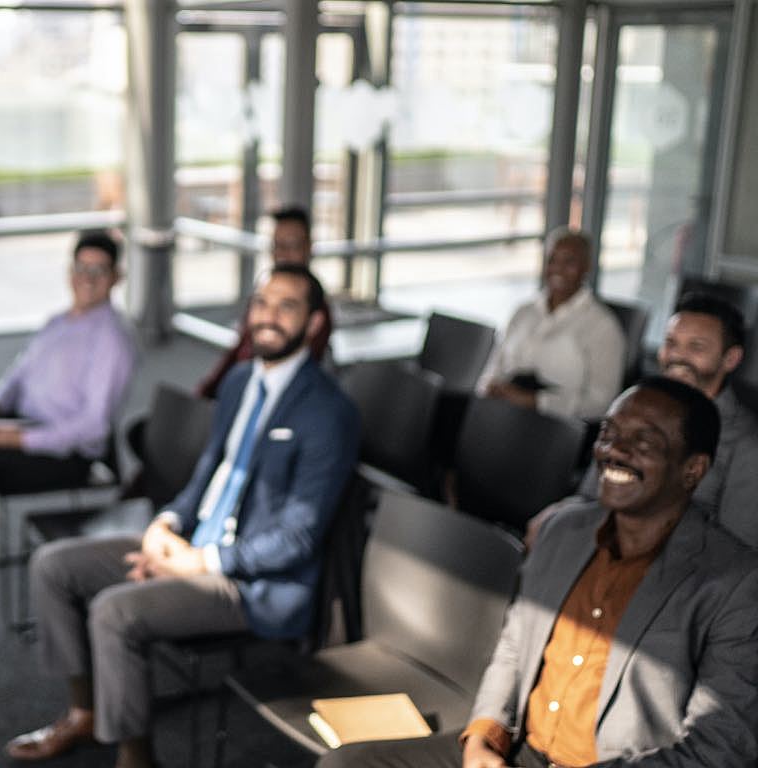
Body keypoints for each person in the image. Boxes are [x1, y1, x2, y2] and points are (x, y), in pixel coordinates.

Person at [5, 264, 360, 768]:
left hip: (254, 584)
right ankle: (84, 713)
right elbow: (211, 473)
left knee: (115, 610)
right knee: (54, 565)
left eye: (287, 306)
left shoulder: (329, 411)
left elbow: (299, 536)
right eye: (262, 303)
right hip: (194, 543)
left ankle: (136, 759)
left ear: (316, 322)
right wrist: (165, 526)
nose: (268, 317)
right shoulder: (239, 381)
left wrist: (198, 564)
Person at [320, 377, 758, 768]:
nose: (614, 450)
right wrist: (483, 736)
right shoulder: (563, 531)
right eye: (609, 432)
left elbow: (718, 748)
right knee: (346, 764)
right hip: (519, 752)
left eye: (643, 442)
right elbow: (513, 647)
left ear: (693, 470)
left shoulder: (734, 580)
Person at [535, 292, 758, 548]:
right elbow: (589, 494)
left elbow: (738, 553)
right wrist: (561, 513)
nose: (676, 357)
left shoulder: (747, 444)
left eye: (695, 347)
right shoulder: (632, 409)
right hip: (599, 545)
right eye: (671, 343)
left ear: (730, 359)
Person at [0, 229, 136, 508]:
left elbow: (93, 426)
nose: (88, 278)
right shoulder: (57, 323)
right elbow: (18, 377)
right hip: (22, 422)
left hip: (65, 454)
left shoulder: (112, 340)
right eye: (82, 268)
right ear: (70, 272)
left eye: (99, 270)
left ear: (116, 277)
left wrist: (18, 439)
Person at [476, 228, 624, 420]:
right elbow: (494, 367)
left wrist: (537, 401)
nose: (557, 268)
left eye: (569, 261)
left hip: (556, 426)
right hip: (503, 414)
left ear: (587, 266)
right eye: (552, 260)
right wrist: (488, 388)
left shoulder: (602, 326)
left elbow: (601, 403)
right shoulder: (523, 312)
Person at [196, 205, 332, 398]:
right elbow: (238, 349)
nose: (282, 254)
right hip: (235, 388)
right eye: (277, 245)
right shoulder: (264, 290)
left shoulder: (317, 310)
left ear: (309, 247)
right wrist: (209, 390)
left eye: (291, 245)